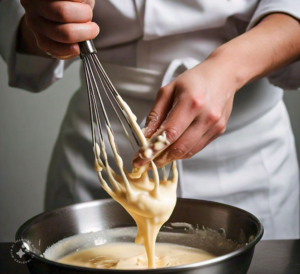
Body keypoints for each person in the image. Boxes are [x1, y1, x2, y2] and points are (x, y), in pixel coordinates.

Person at [0, 0, 300, 240]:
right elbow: (24, 34)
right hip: (102, 153)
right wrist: (46, 20)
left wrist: (230, 67)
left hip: (250, 159)